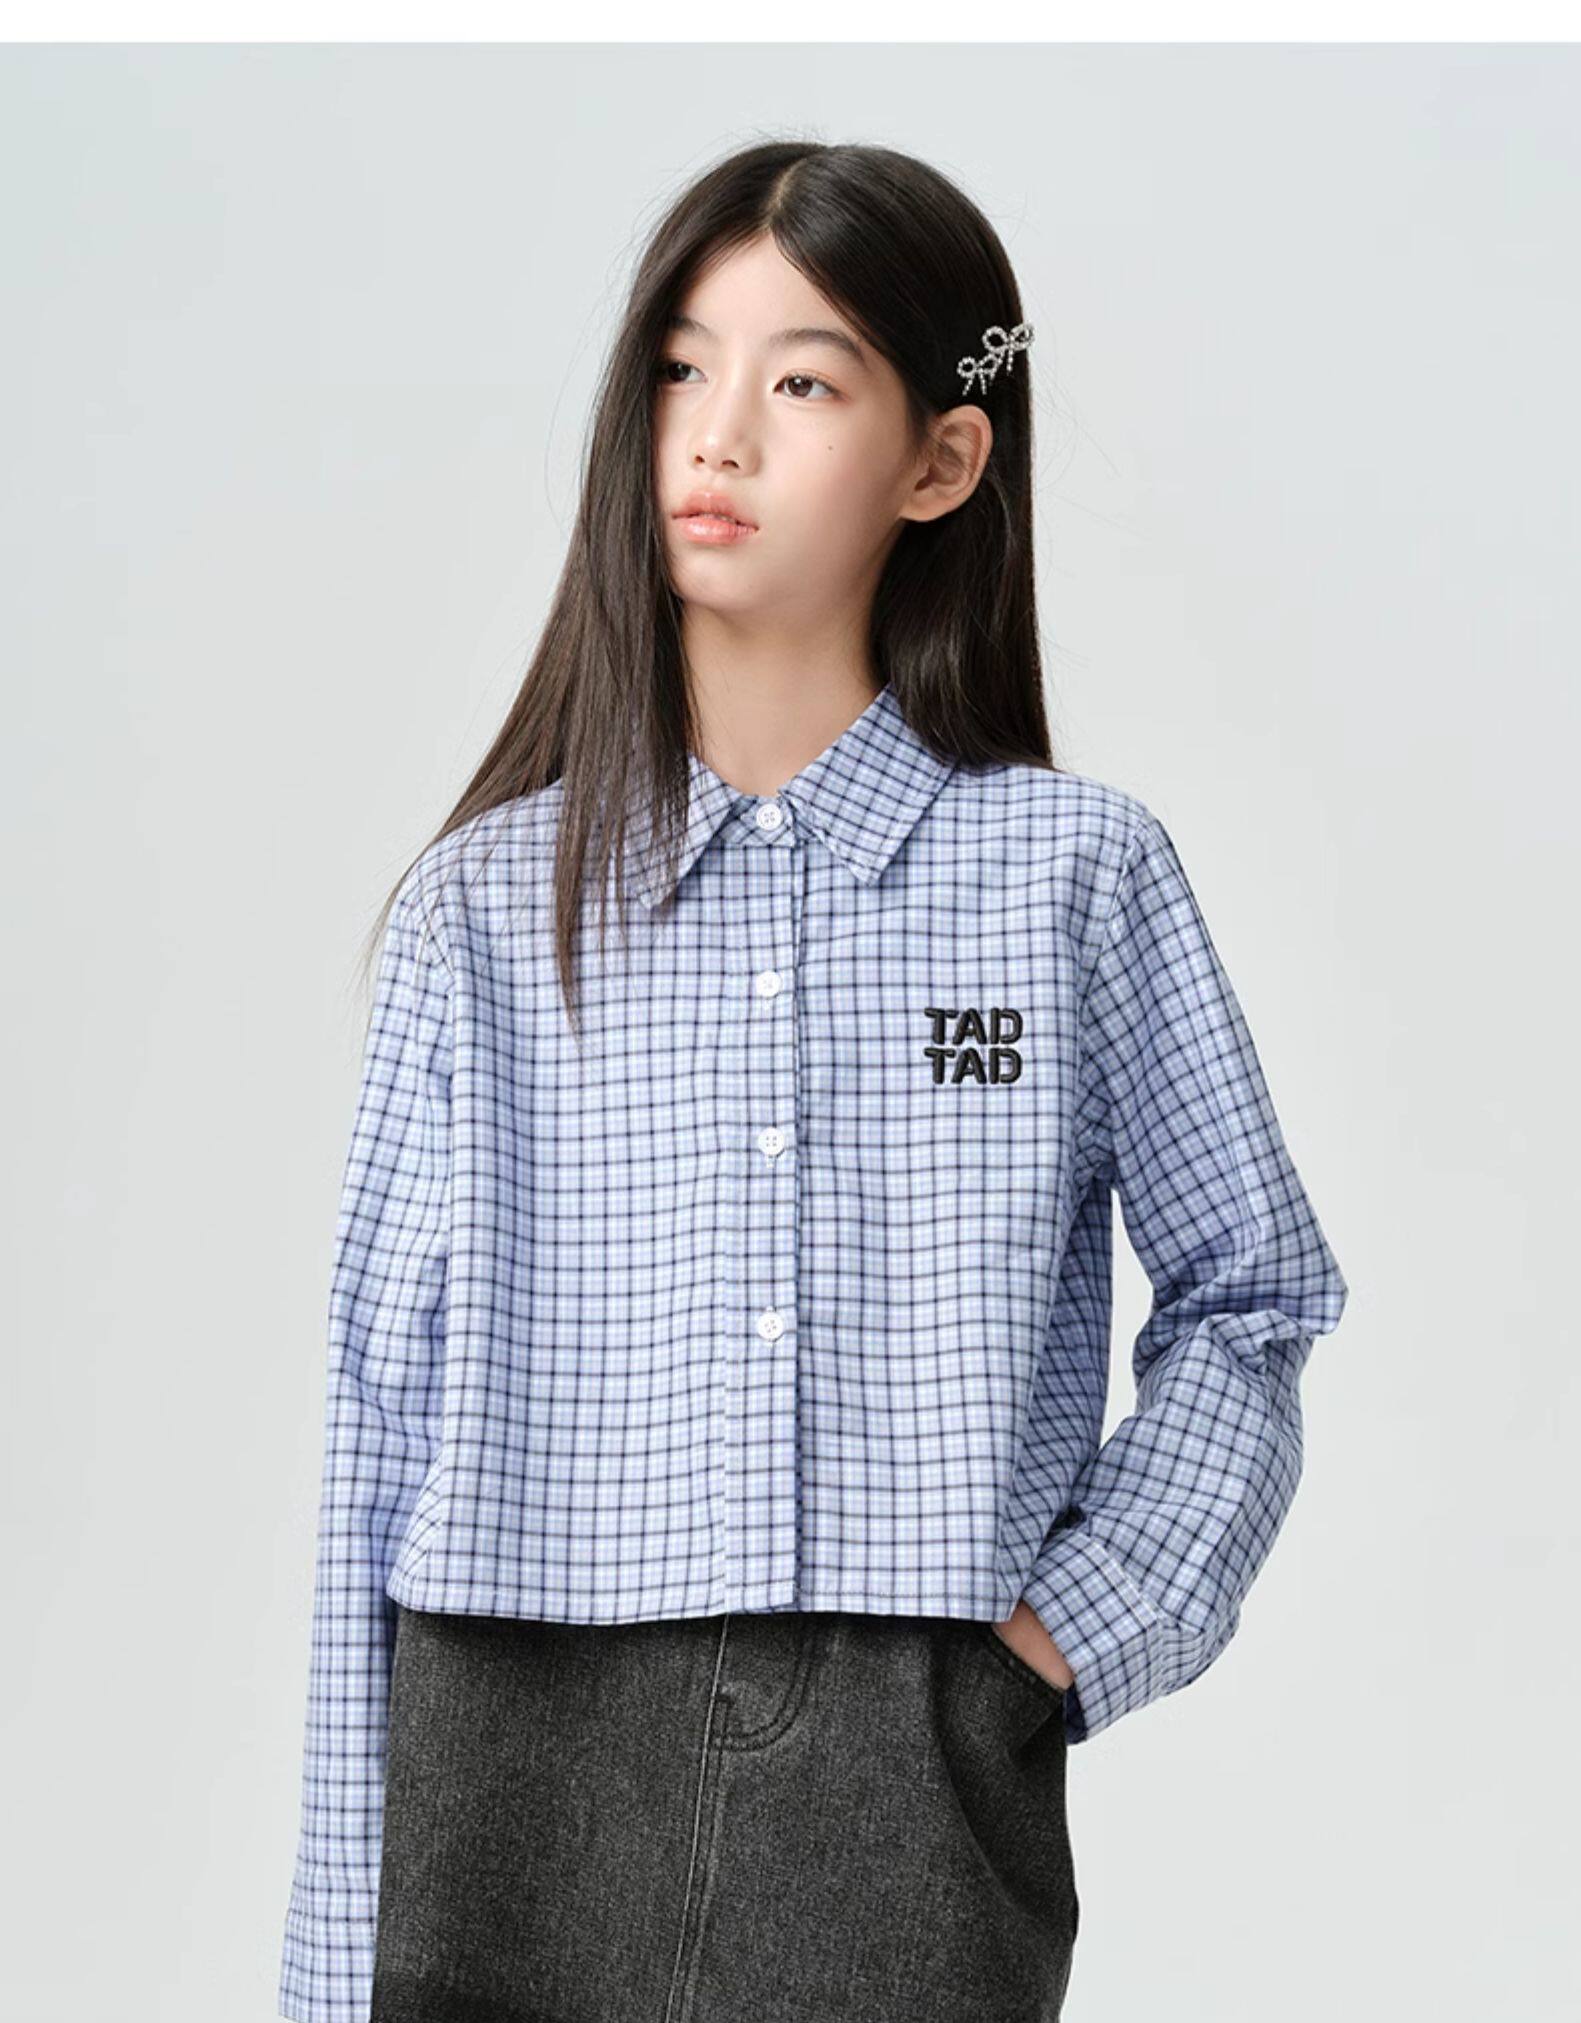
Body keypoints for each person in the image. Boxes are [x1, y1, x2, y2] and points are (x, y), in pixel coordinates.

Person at [277, 138, 1348, 2023]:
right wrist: (326, 1960)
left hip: (908, 1762)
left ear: (941, 460)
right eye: (679, 371)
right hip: (509, 1741)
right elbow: (376, 1410)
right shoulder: (479, 915)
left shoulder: (1072, 879)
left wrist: (1056, 1644)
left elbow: (1249, 1300)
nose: (715, 436)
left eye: (801, 383)